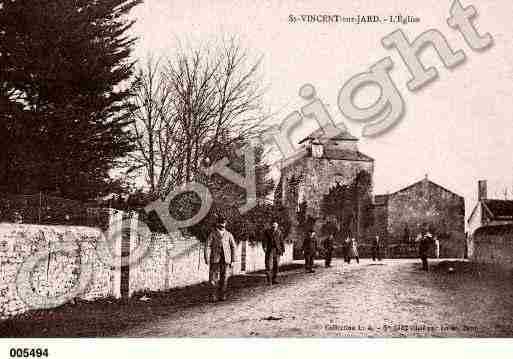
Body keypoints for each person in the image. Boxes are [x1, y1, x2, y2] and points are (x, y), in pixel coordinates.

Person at [204, 216, 237, 302]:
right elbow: (207, 246)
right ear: (217, 224)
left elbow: (233, 247)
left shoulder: (229, 234)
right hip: (215, 259)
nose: (222, 225)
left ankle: (222, 295)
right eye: (220, 223)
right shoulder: (212, 234)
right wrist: (207, 258)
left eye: (224, 223)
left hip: (226, 260)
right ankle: (213, 296)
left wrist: (233, 260)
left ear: (225, 224)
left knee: (225, 278)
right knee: (213, 279)